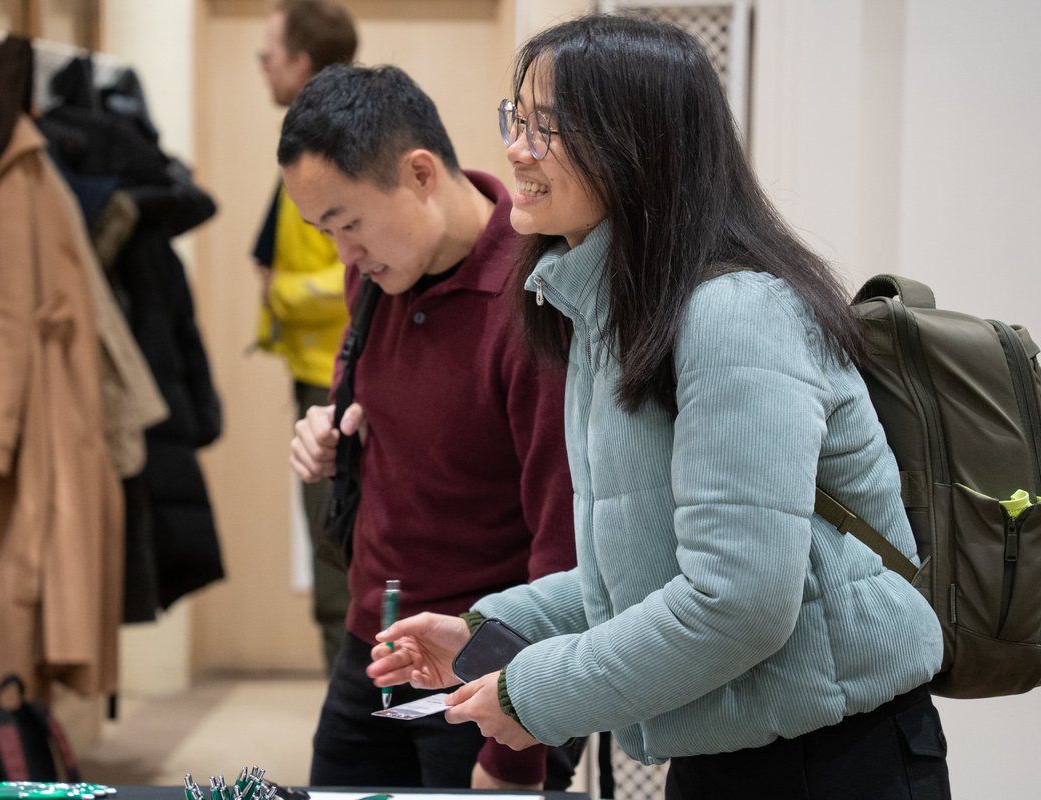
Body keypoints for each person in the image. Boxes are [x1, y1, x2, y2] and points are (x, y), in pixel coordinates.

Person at [368, 14, 950, 800]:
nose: (516, 150)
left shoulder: (735, 315)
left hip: (832, 761)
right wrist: (486, 631)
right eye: (517, 118)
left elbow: (739, 601)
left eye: (547, 127)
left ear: (635, 143)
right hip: (733, 748)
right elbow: (637, 571)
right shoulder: (612, 315)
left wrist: (534, 692)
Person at [280, 64, 580, 790]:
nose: (344, 255)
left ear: (419, 174)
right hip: (373, 645)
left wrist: (515, 753)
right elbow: (374, 403)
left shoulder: (536, 302)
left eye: (349, 224)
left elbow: (565, 545)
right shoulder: (377, 274)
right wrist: (331, 431)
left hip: (485, 673)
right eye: (325, 233)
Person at [253, 0, 358, 671]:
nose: (262, 69)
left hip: (337, 381)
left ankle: (355, 717)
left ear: (300, 62)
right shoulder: (304, 144)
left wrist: (281, 295)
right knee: (334, 567)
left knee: (339, 573)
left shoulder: (336, 148)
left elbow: (357, 270)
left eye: (267, 56)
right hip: (315, 374)